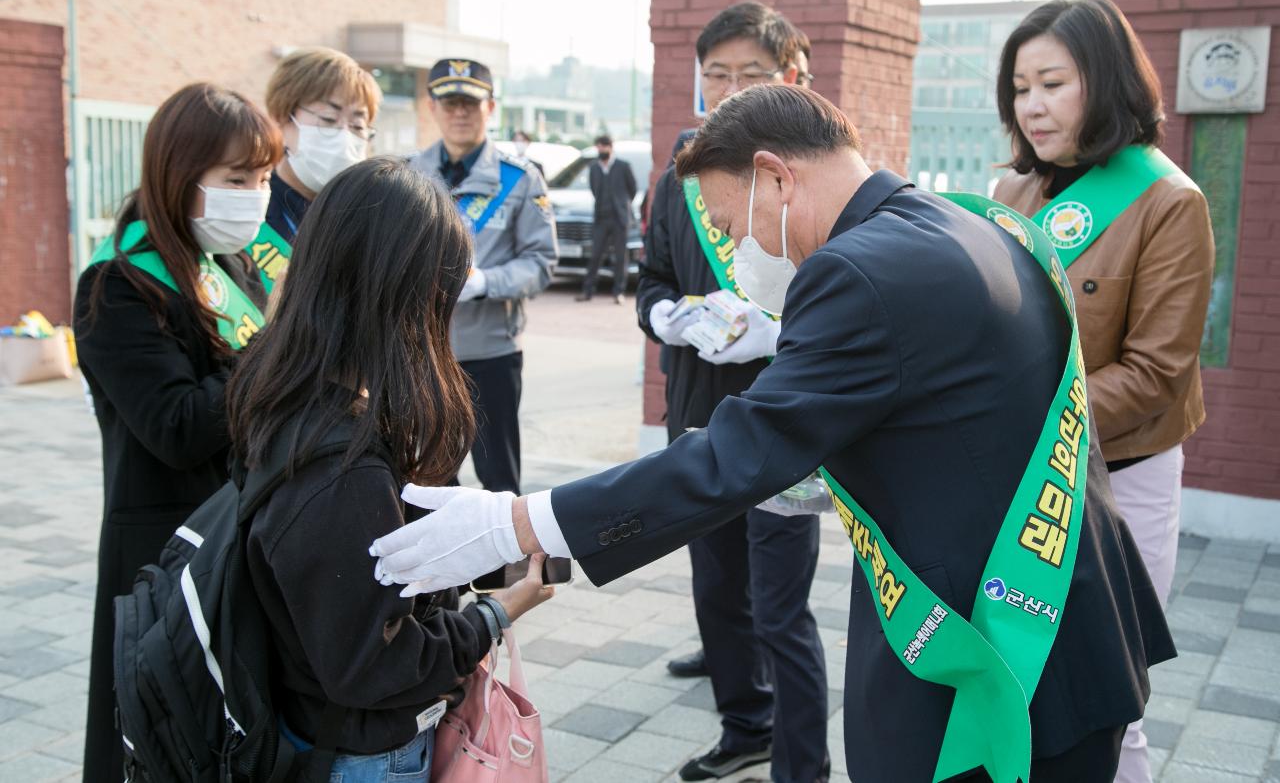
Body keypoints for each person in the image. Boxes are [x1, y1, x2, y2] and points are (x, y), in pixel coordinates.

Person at [369, 85, 1176, 783]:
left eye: (726, 224)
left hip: (997, 655)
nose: (734, 247)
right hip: (1072, 617)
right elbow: (963, 417)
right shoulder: (969, 223)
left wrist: (519, 521)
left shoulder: (856, 268)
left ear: (775, 178)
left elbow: (734, 452)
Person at [227, 156, 552, 781]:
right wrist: (495, 614)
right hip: (363, 754)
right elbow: (373, 665)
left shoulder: (288, 390)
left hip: (317, 723)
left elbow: (368, 572)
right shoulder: (338, 467)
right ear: (398, 294)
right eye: (440, 294)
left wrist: (491, 544)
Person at [990, 0, 1213, 783]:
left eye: (1052, 81)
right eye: (1021, 87)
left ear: (1107, 80)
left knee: (1110, 697)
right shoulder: (1010, 191)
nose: (1032, 105)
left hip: (1120, 475)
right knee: (1019, 680)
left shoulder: (1168, 201)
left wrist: (1025, 418)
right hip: (1014, 467)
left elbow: (1156, 375)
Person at [638, 1, 829, 783]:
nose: (727, 88)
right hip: (699, 416)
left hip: (786, 426)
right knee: (716, 584)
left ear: (789, 78)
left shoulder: (816, 171)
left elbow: (850, 297)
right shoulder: (682, 172)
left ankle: (803, 762)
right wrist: (670, 315)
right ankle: (744, 724)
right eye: (715, 74)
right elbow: (649, 277)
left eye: (748, 74)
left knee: (780, 607)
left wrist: (777, 329)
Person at [74, 82, 281, 782]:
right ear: (179, 176)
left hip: (239, 534)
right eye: (235, 179)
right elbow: (177, 426)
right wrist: (274, 351)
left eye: (261, 178)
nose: (254, 195)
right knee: (157, 737)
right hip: (162, 553)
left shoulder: (234, 265)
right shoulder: (120, 287)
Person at [407, 58, 557, 495]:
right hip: (423, 353)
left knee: (498, 481)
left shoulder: (520, 179)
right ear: (432, 107)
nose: (460, 113)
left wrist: (487, 282)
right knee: (429, 480)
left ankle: (507, 566)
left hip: (490, 352)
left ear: (490, 108)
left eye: (470, 104)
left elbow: (541, 262)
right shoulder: (407, 175)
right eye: (450, 102)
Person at [251, 47, 379, 292]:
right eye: (329, 119)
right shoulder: (254, 209)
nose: (344, 135)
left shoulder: (370, 212)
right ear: (282, 117)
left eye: (357, 125)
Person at [578, 134, 638, 304]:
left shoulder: (623, 166)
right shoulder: (594, 168)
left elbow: (632, 189)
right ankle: (588, 291)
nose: (601, 150)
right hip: (601, 218)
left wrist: (622, 205)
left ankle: (618, 292)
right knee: (595, 255)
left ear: (610, 147)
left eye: (603, 147)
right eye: (598, 147)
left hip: (619, 218)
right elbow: (594, 189)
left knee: (620, 257)